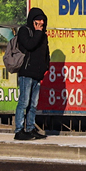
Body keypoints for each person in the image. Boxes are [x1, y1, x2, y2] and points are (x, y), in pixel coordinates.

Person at [14, 8, 50, 141]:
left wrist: (46, 66)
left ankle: (30, 128)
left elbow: (45, 52)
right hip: (26, 73)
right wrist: (38, 32)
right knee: (24, 102)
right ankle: (19, 130)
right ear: (32, 20)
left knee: (33, 104)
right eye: (38, 20)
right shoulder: (25, 31)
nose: (40, 23)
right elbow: (30, 45)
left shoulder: (43, 35)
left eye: (42, 20)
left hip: (37, 74)